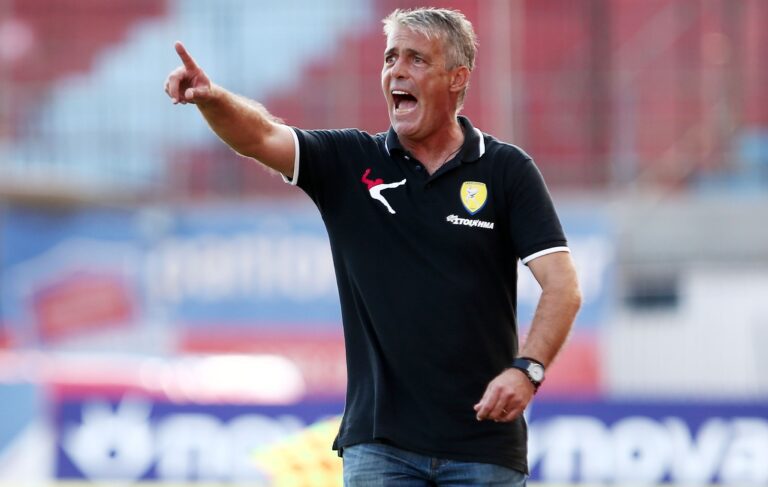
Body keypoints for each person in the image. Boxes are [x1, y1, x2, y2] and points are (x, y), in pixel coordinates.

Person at [164, 7, 581, 486]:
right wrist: (212, 100)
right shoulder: (349, 161)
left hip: (484, 448)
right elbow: (259, 136)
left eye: (416, 59)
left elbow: (563, 287)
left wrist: (527, 370)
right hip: (380, 448)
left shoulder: (507, 170)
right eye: (390, 58)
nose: (397, 71)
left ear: (457, 77)